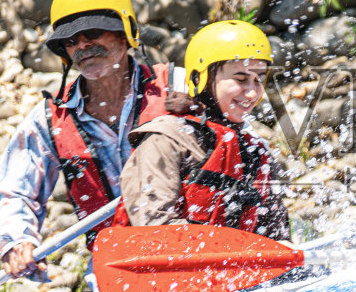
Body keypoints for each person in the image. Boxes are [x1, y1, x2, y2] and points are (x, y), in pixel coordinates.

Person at [0, 0, 187, 277]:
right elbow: (13, 192)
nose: (82, 45)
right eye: (70, 40)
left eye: (92, 33)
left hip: (193, 249)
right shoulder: (50, 119)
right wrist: (16, 240)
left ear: (126, 35)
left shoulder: (180, 87)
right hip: (116, 267)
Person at [118, 20, 290, 239]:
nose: (251, 93)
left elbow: (277, 235)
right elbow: (155, 232)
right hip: (165, 269)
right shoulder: (165, 140)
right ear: (201, 78)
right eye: (240, 79)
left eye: (258, 80)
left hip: (230, 268)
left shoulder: (254, 150)